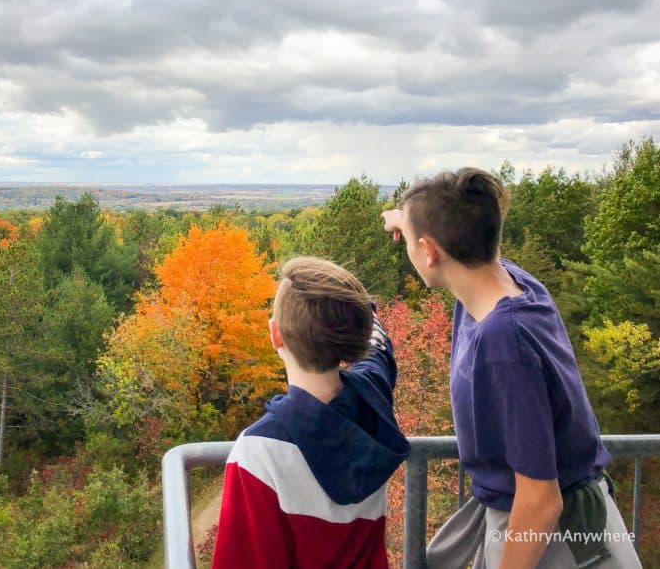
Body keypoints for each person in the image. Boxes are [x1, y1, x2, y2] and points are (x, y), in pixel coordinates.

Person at [382, 168, 641, 569]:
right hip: (548, 521)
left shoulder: (504, 341)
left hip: (555, 538)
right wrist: (403, 218)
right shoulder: (512, 282)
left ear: (429, 251)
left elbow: (540, 500)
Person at [211, 256, 410, 569]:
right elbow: (378, 348)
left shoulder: (259, 451)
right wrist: (358, 309)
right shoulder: (371, 400)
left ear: (275, 335)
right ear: (351, 341)